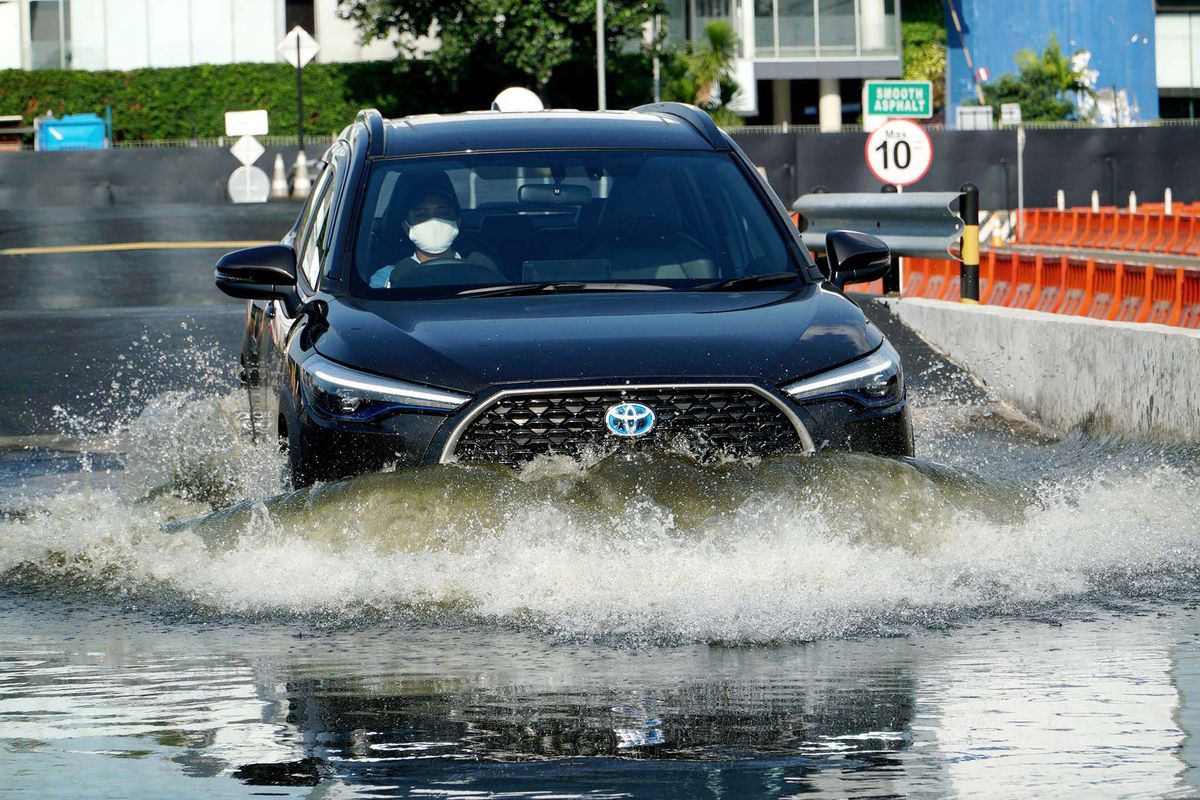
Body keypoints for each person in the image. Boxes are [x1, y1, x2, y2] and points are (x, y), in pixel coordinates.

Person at [369, 189, 501, 289]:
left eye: (442, 214)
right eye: (422, 215)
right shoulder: (387, 277)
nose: (434, 221)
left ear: (457, 223)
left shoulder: (481, 269)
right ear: (407, 228)